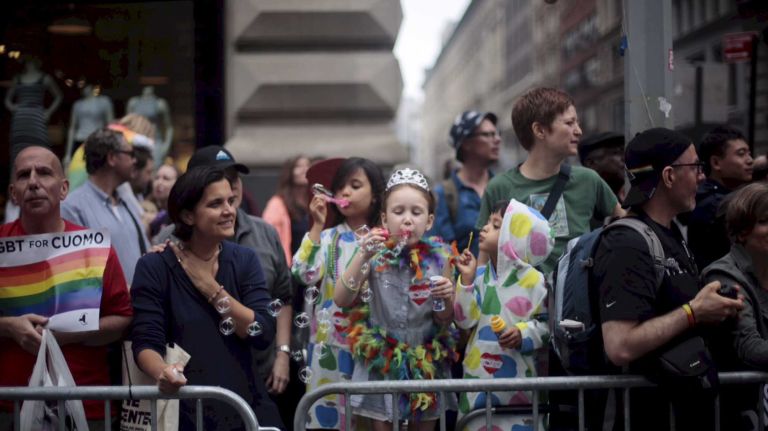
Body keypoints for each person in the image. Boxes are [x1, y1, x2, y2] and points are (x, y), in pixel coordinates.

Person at [594, 127, 744, 430]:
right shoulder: (626, 244)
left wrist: (715, 307)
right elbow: (620, 345)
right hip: (648, 416)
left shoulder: (671, 233)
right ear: (669, 176)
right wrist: (693, 312)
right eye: (694, 167)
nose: (702, 177)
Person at [130, 166, 283, 430]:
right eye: (215, 204)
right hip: (186, 412)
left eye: (230, 201)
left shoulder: (243, 260)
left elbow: (263, 331)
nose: (229, 210)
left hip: (244, 410)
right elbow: (145, 342)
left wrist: (210, 287)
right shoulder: (155, 267)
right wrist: (163, 373)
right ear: (188, 216)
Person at [0, 146, 132, 430]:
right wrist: (9, 326)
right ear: (13, 193)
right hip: (9, 404)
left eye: (44, 173)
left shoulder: (94, 248)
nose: (34, 182)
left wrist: (65, 335)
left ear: (63, 189)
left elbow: (122, 317)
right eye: (24, 175)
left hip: (86, 404)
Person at [333, 168, 457, 431]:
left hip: (426, 362)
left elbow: (443, 318)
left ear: (430, 220)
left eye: (416, 212)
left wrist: (446, 299)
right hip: (382, 360)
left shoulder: (442, 259)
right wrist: (362, 255)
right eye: (398, 212)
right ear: (384, 218)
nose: (407, 220)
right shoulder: (373, 255)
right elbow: (342, 299)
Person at [476, 87, 622, 276]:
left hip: (577, 301)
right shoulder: (499, 187)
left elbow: (625, 226)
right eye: (569, 123)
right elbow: (484, 258)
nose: (578, 131)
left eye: (577, 123)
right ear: (539, 130)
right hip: (521, 302)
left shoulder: (589, 180)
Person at [291, 157, 385, 430]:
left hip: (373, 350)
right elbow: (301, 272)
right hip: (328, 350)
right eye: (340, 187)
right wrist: (317, 225)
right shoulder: (330, 237)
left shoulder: (384, 239)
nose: (344, 193)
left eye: (355, 185)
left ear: (376, 195)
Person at [453, 199, 553, 429]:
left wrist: (523, 333)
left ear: (514, 236)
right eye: (488, 222)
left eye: (496, 225)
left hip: (520, 389)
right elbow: (463, 320)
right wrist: (466, 281)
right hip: (478, 382)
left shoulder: (536, 282)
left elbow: (548, 327)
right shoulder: (478, 275)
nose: (485, 228)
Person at [702, 182, 768, 430]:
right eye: (764, 221)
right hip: (738, 411)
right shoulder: (723, 276)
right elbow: (750, 347)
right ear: (742, 232)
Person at [61, 127, 150, 286]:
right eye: (130, 154)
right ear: (112, 158)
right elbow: (78, 274)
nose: (135, 160)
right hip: (106, 309)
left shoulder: (127, 203)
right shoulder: (72, 207)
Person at [428, 111, 500, 256]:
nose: (497, 139)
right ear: (466, 143)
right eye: (488, 135)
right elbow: (440, 254)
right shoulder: (443, 195)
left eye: (497, 133)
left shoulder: (504, 188)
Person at [685, 125, 753, 269]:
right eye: (741, 154)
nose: (750, 160)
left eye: (749, 154)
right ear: (716, 162)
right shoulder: (716, 205)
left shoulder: (711, 197)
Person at [4, 56, 62, 163]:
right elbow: (7, 100)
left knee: (40, 149)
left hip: (37, 118)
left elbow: (58, 96)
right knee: (18, 151)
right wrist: (12, 107)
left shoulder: (45, 78)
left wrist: (48, 112)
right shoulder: (18, 78)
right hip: (20, 120)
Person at [263, 155, 312, 266]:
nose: (305, 169)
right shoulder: (277, 204)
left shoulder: (315, 201)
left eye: (308, 165)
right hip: (289, 268)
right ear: (290, 172)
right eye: (299, 166)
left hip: (313, 267)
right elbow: (269, 238)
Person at [64, 85, 114, 170]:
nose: (84, 89)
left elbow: (111, 125)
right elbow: (72, 128)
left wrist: (111, 148)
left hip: (98, 141)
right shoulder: (78, 105)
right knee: (78, 172)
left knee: (98, 171)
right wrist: (68, 154)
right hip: (80, 141)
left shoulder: (104, 101)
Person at [126, 86, 173, 167]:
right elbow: (127, 125)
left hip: (155, 142)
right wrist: (128, 143)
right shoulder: (133, 102)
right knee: (137, 170)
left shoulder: (160, 103)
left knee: (155, 169)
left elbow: (169, 127)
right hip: (137, 141)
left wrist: (166, 146)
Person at [578, 131, 626, 202]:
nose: (623, 158)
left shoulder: (628, 189)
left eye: (623, 152)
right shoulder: (581, 197)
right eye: (615, 153)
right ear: (591, 163)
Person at [148, 163, 179, 239]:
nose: (159, 182)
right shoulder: (147, 209)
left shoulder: (179, 216)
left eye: (166, 179)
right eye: (157, 178)